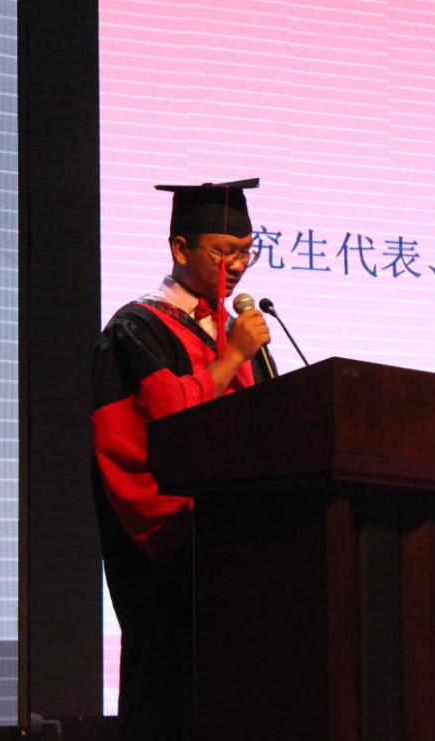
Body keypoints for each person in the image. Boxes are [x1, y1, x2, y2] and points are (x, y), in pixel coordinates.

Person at [90, 178, 270, 740]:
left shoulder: (231, 330)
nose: (236, 266)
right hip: (168, 538)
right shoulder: (138, 325)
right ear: (180, 248)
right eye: (224, 252)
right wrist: (233, 355)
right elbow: (171, 419)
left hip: (234, 534)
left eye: (246, 251)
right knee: (169, 686)